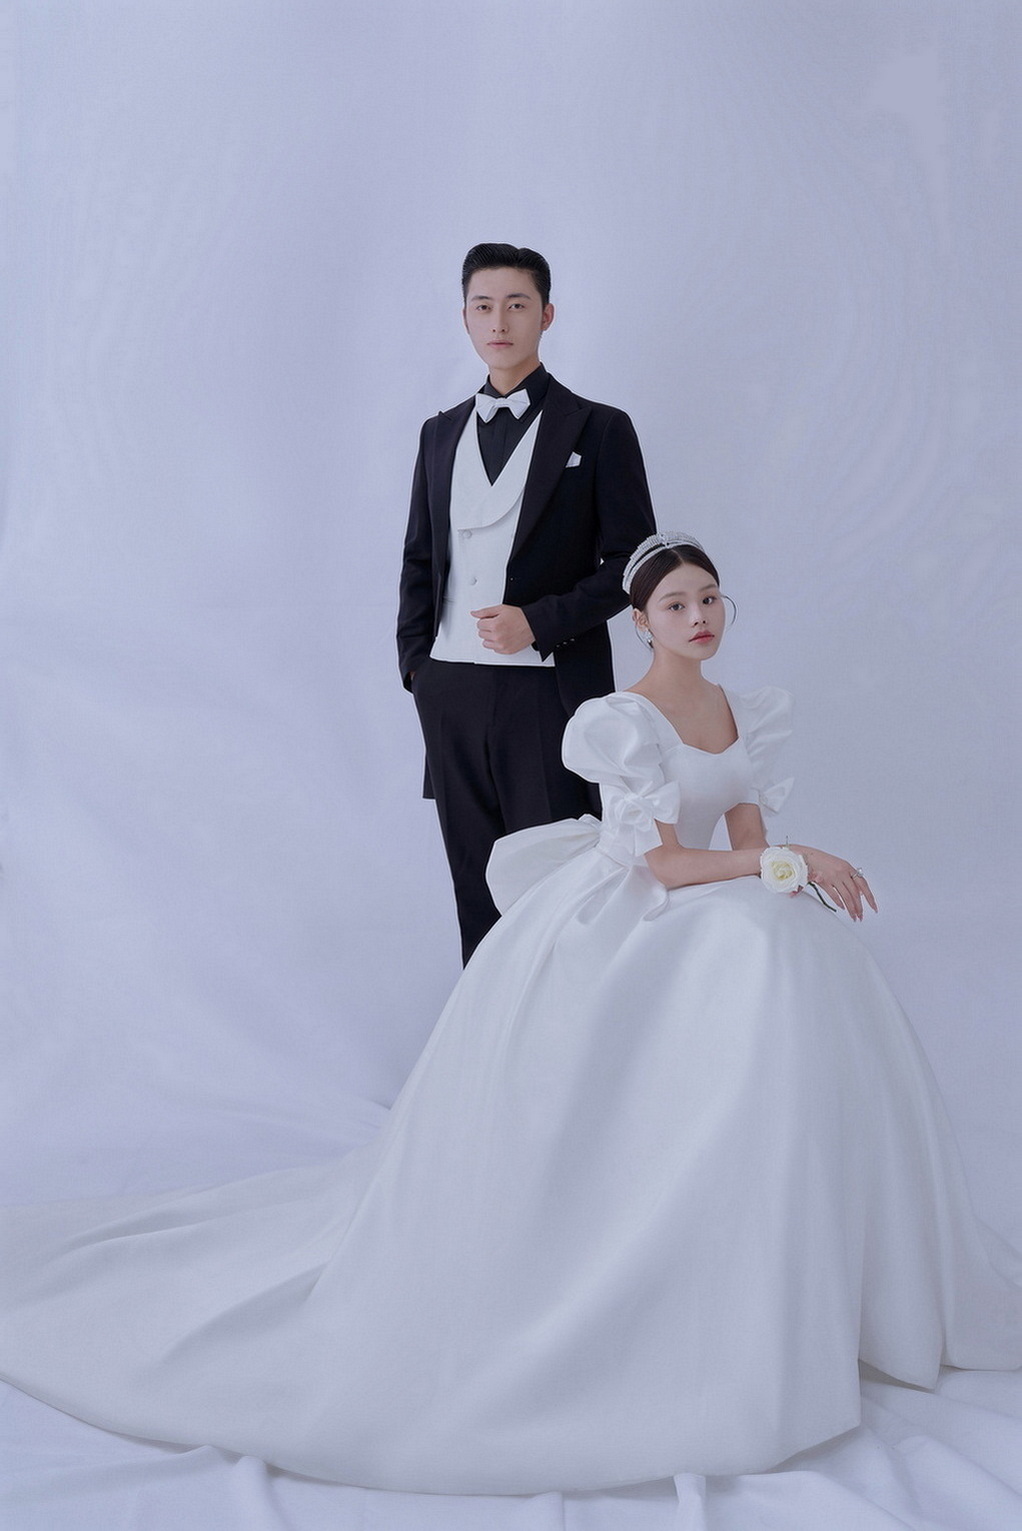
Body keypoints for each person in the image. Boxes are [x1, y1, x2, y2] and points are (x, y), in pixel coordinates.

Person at [2, 534, 1020, 1495]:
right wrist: (783, 863)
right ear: (639, 622)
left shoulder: (739, 708)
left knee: (796, 945)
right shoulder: (624, 720)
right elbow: (668, 863)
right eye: (676, 604)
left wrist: (783, 868)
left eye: (709, 598)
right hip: (633, 903)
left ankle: (804, 1253)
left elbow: (747, 837)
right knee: (754, 944)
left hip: (709, 896)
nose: (699, 616)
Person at [397, 242, 656, 961]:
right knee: (475, 887)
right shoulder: (439, 433)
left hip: (549, 693)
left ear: (546, 315)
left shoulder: (599, 429)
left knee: (558, 886)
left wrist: (538, 622)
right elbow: (420, 558)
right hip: (450, 690)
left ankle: (563, 1027)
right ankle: (485, 1032)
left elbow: (633, 566)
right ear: (465, 317)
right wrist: (418, 668)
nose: (499, 321)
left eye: (516, 305)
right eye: (483, 306)